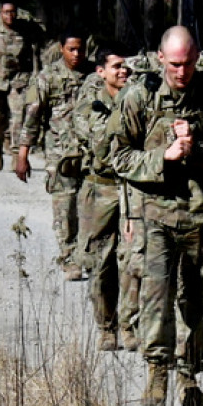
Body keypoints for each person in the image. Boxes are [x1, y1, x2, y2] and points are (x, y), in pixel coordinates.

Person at [109, 26, 203, 406]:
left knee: (195, 299)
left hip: (201, 217)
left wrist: (196, 149)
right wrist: (162, 157)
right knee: (156, 298)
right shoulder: (139, 98)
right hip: (155, 216)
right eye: (174, 64)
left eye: (188, 63)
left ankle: (188, 374)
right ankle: (157, 372)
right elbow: (117, 157)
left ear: (198, 58)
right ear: (161, 58)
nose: (181, 72)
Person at [70, 45, 134, 350]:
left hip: (132, 189)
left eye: (127, 68)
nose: (124, 72)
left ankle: (129, 324)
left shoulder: (137, 101)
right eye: (117, 66)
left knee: (135, 259)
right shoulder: (89, 106)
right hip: (101, 190)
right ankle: (107, 327)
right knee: (101, 262)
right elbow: (103, 147)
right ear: (101, 72)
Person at [15, 30, 87, 278]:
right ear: (61, 48)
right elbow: (32, 118)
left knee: (89, 205)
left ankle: (88, 255)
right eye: (71, 49)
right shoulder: (47, 77)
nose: (77, 54)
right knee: (65, 207)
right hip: (60, 154)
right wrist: (22, 154)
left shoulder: (93, 75)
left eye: (80, 49)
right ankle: (69, 258)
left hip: (90, 154)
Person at [0, 0, 45, 172]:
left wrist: (36, 81)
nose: (9, 15)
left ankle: (16, 155)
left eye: (12, 12)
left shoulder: (25, 32)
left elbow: (36, 57)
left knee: (18, 119)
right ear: (0, 13)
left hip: (19, 81)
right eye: (6, 12)